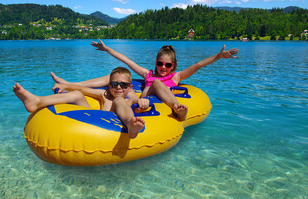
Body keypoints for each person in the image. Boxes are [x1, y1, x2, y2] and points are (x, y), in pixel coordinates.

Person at [51, 39, 239, 121]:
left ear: (173, 66)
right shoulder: (147, 74)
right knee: (113, 77)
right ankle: (68, 84)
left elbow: (197, 65)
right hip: (144, 95)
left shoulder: (176, 76)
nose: (163, 68)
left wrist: (218, 56)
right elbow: (126, 60)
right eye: (160, 64)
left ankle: (177, 109)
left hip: (159, 99)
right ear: (156, 63)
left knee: (158, 83)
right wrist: (108, 50)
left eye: (167, 65)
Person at [13, 67, 149, 139]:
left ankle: (130, 127)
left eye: (123, 85)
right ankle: (37, 101)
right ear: (109, 85)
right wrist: (66, 86)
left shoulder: (128, 99)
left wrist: (143, 101)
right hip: (94, 120)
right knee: (77, 95)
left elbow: (139, 101)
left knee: (119, 100)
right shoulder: (104, 94)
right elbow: (82, 89)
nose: (118, 88)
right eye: (114, 84)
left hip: (113, 126)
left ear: (130, 87)